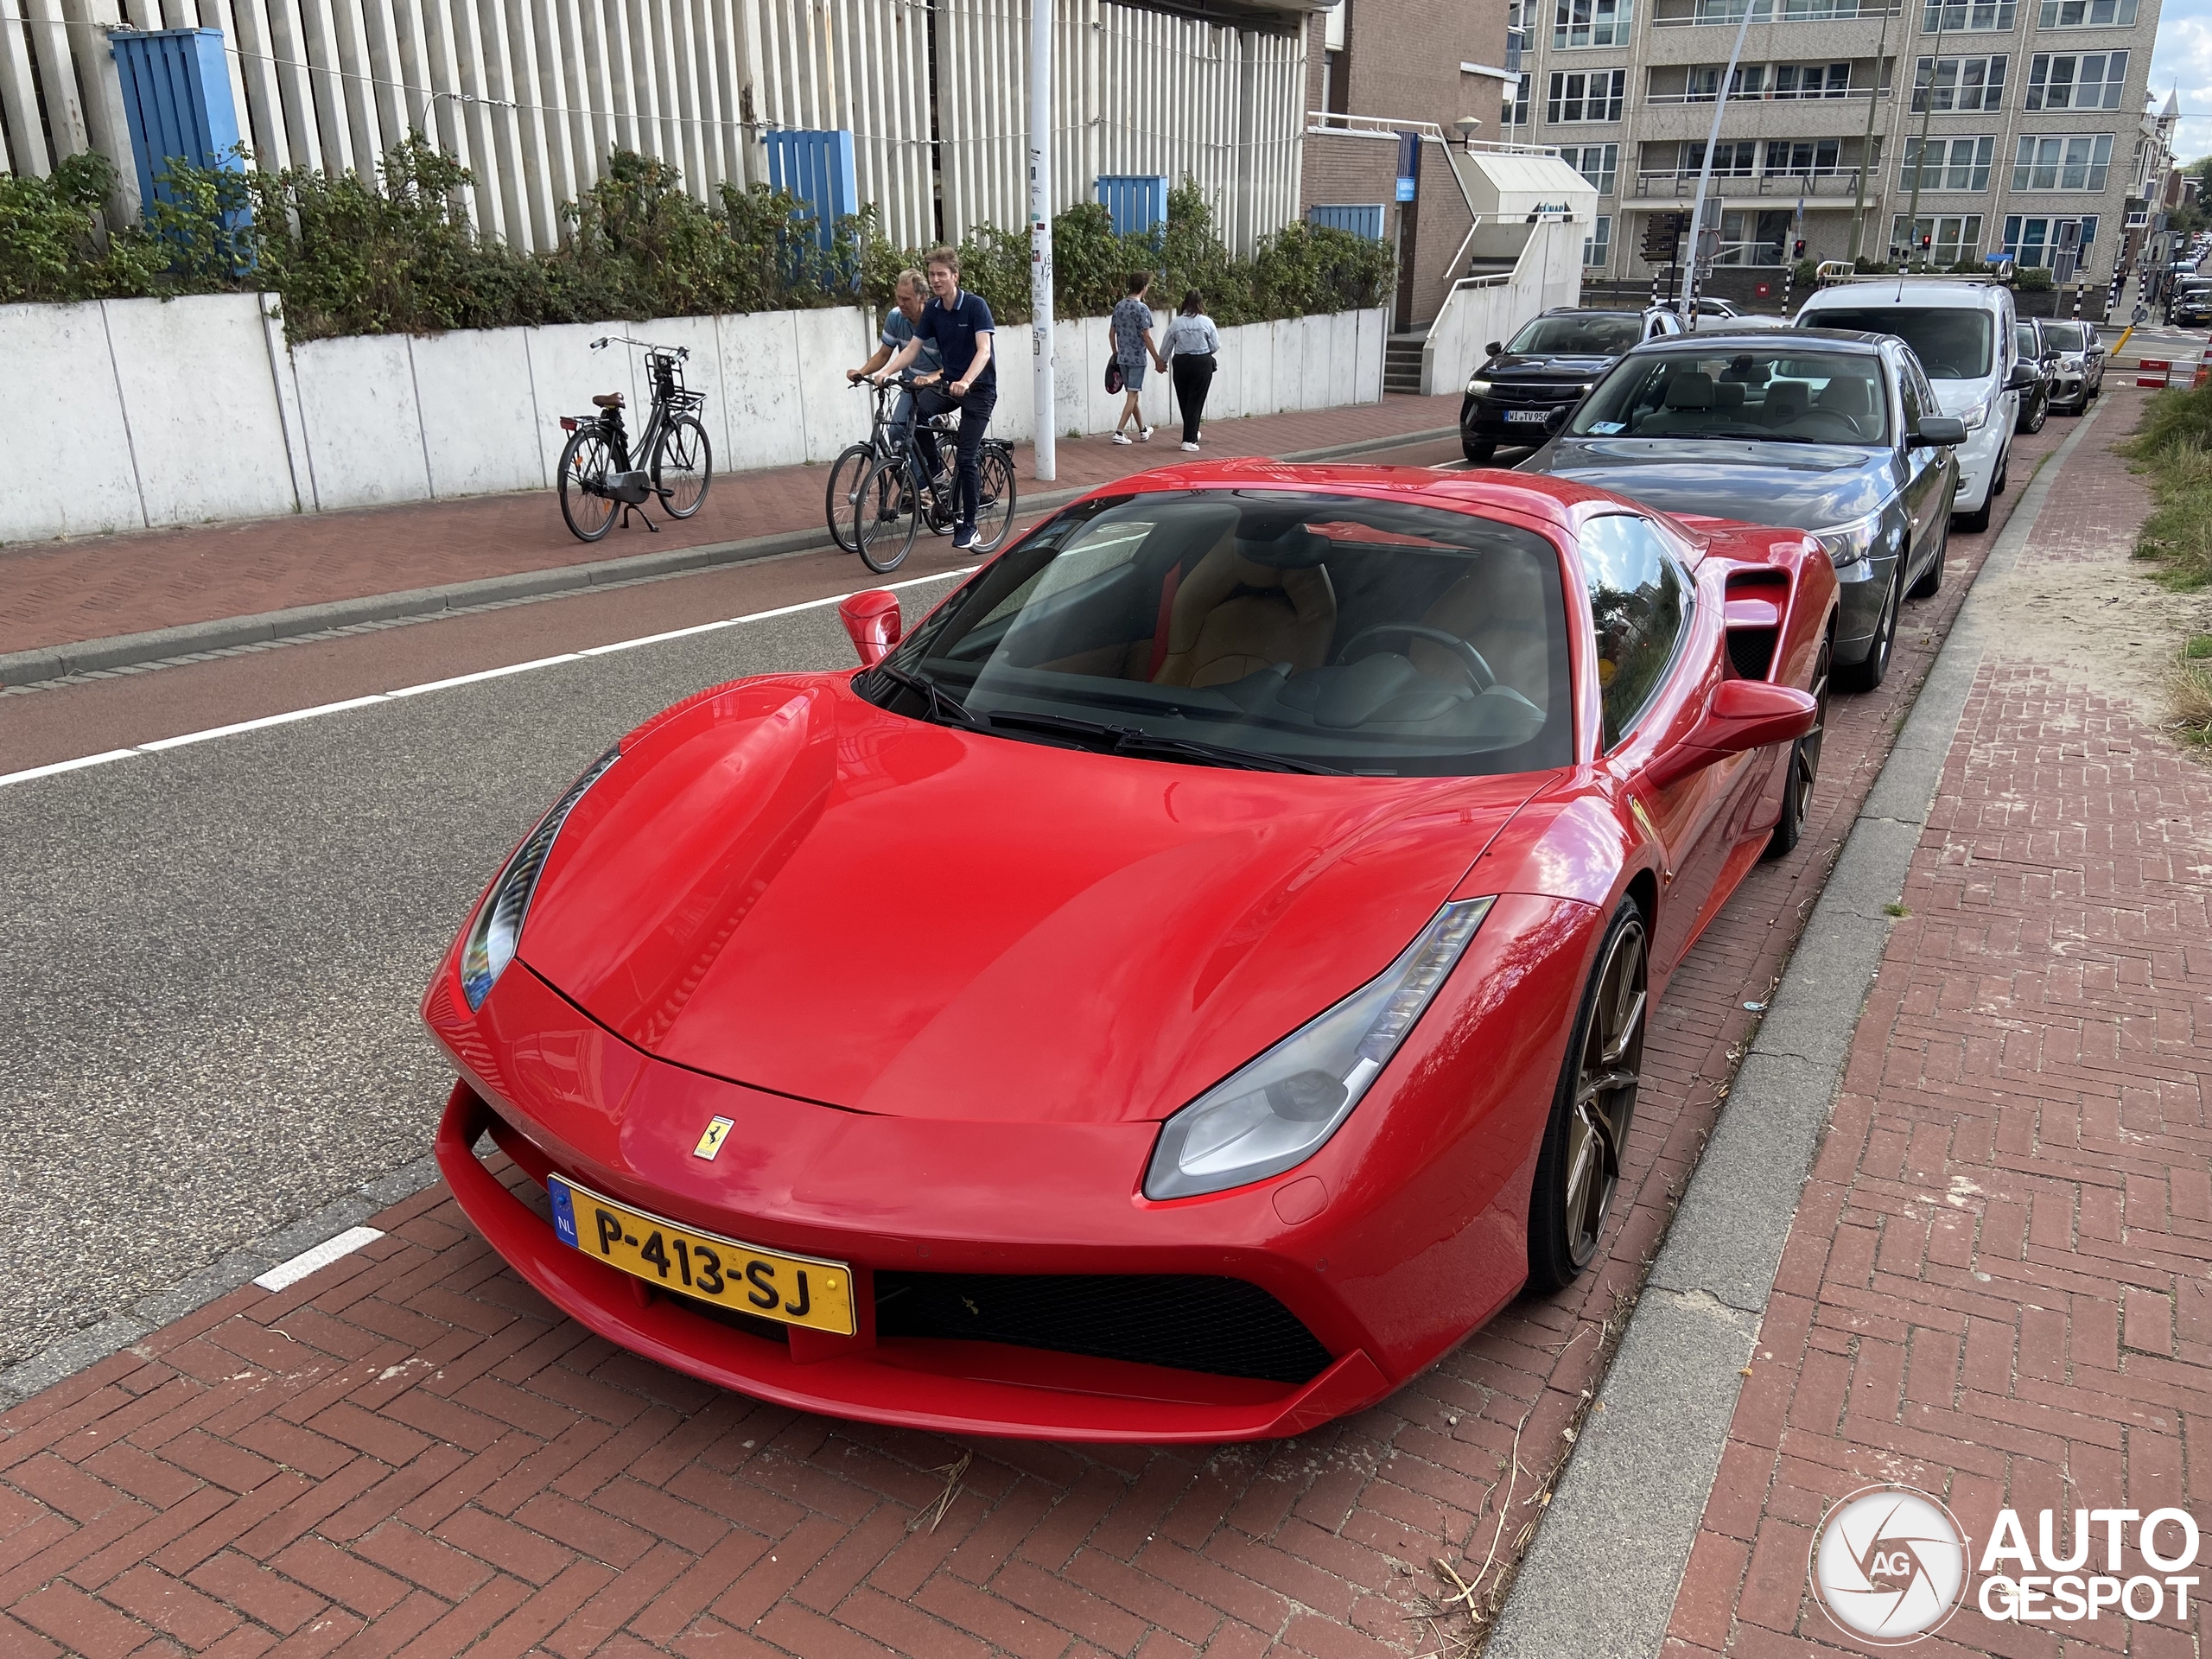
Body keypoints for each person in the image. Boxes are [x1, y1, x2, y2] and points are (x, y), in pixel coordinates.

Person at [875, 247, 996, 551]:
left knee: (967, 457)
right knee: (913, 419)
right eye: (932, 274)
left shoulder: (975, 307)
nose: (936, 279)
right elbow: (912, 349)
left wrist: (966, 381)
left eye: (941, 274)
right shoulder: (933, 311)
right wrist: (886, 372)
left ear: (955, 276)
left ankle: (969, 526)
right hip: (948, 386)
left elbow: (984, 350)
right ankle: (937, 472)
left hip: (978, 390)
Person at [848, 269, 938, 441]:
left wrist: (932, 379)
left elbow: (951, 364)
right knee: (896, 431)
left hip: (936, 385)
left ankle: (930, 464)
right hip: (911, 385)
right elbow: (883, 354)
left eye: (907, 299)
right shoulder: (895, 317)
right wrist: (862, 372)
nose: (901, 303)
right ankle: (905, 467)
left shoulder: (938, 320)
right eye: (898, 297)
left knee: (918, 430)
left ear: (923, 297)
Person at [1160, 289, 1221, 452]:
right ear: (1201, 303)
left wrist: (1162, 362)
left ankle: (1192, 431)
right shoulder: (1207, 322)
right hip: (1201, 362)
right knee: (1196, 399)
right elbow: (1215, 345)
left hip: (1181, 362)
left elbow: (1166, 345)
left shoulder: (1176, 323)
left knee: (1184, 399)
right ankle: (1189, 439)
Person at [1110, 272, 1166, 444]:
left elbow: (1112, 333)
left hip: (1123, 357)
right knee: (1132, 395)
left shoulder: (1119, 306)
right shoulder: (1142, 309)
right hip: (1137, 359)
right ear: (1143, 287)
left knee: (1132, 394)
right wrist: (1157, 359)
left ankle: (1142, 430)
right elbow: (1146, 337)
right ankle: (1119, 432)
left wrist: (1115, 352)